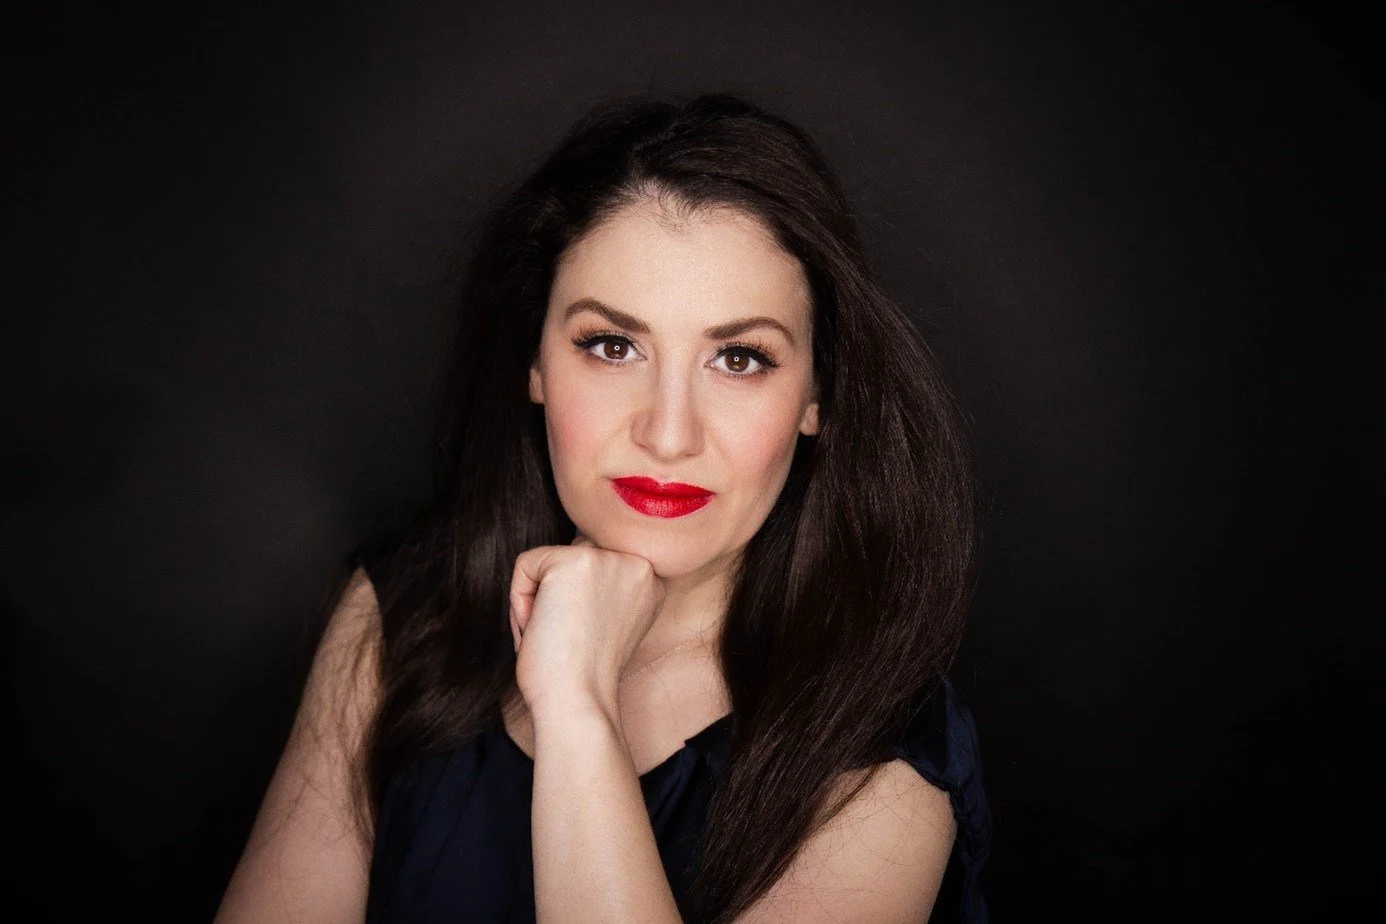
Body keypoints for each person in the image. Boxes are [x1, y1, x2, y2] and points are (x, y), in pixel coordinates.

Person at [214, 92, 990, 923]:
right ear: (535, 363)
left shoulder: (885, 753)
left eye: (738, 358)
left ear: (816, 399)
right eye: (612, 346)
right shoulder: (403, 616)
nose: (667, 434)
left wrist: (577, 702)